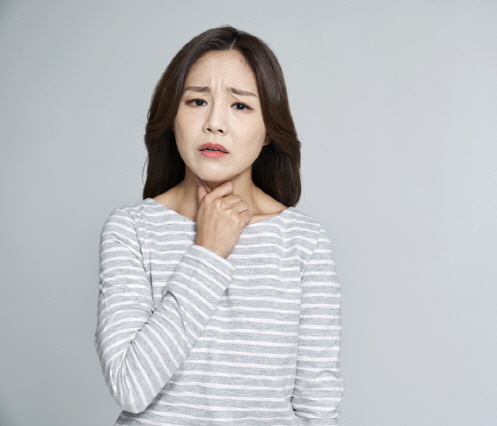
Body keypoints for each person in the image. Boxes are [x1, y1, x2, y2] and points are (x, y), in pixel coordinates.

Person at [95, 26, 343, 426]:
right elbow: (131, 387)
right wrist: (208, 252)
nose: (215, 123)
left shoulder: (304, 242)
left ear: (269, 130)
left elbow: (318, 404)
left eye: (240, 106)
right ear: (172, 117)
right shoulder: (132, 229)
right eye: (197, 101)